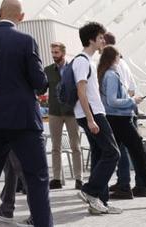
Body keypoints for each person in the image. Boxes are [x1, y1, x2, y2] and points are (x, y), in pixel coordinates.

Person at [0, 0, 51, 227]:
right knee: (37, 178)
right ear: (21, 17)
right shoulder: (26, 41)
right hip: (24, 120)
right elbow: (39, 82)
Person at [97, 47, 146, 209]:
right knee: (140, 157)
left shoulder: (106, 74)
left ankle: (93, 192)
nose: (120, 59)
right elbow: (112, 101)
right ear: (115, 58)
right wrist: (133, 100)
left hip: (115, 120)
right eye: (119, 56)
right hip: (121, 121)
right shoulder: (112, 75)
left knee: (110, 157)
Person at [71, 22, 120, 216]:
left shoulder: (88, 60)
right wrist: (91, 119)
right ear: (91, 39)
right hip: (92, 114)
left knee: (100, 155)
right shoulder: (82, 61)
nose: (103, 41)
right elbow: (81, 91)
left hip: (93, 113)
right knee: (113, 153)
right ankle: (89, 191)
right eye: (100, 37)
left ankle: (101, 202)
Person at [101, 33, 143, 200]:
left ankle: (124, 184)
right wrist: (130, 102)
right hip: (128, 112)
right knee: (134, 151)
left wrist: (126, 102)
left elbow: (112, 98)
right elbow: (131, 88)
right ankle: (139, 185)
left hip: (119, 115)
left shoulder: (111, 69)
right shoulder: (124, 64)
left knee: (122, 151)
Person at [43, 42, 82, 190]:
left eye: (56, 53)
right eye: (52, 52)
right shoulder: (47, 70)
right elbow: (41, 89)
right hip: (54, 112)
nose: (54, 56)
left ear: (63, 53)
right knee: (55, 147)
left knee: (75, 146)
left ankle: (79, 179)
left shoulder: (73, 69)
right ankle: (57, 179)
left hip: (72, 112)